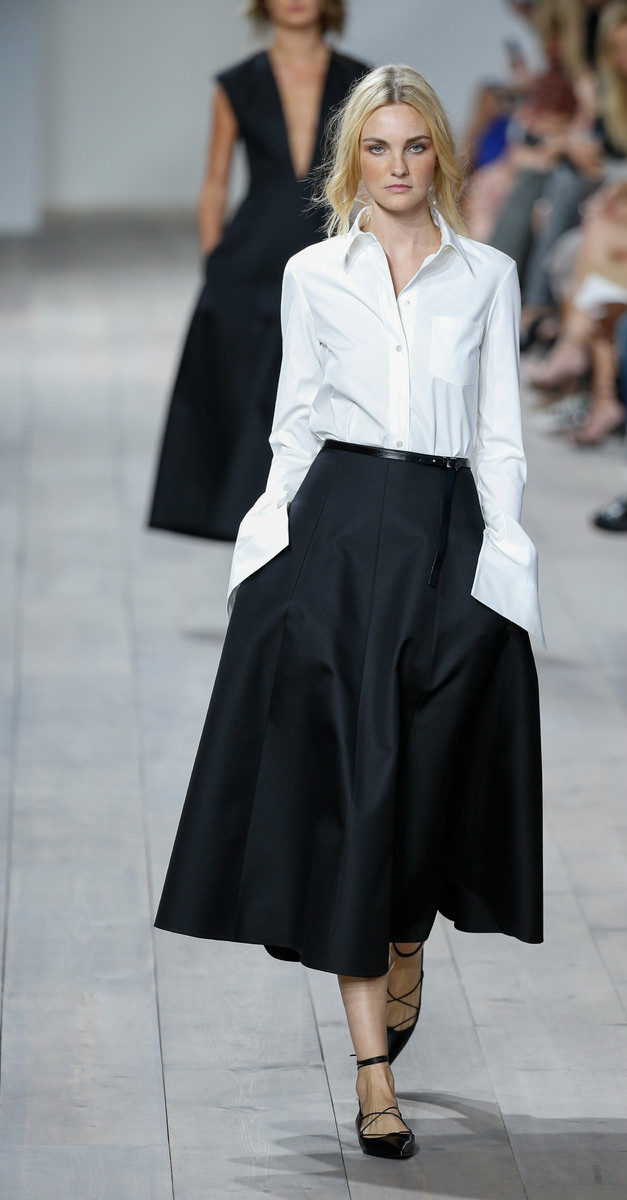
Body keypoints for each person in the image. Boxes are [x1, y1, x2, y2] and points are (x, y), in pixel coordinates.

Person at [155, 64, 545, 1161]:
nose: (396, 166)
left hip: (446, 533)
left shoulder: (488, 275)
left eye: (414, 146)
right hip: (333, 533)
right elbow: (293, 423)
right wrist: (263, 550)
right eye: (377, 148)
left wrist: (507, 562)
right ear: (351, 162)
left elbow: (500, 432)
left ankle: (405, 933)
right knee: (354, 791)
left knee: (425, 780)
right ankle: (374, 1071)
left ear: (439, 156)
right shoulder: (312, 273)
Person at [148, 0, 367, 541]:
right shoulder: (237, 85)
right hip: (250, 257)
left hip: (329, 246)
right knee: (243, 390)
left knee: (326, 385)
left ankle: (319, 514)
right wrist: (214, 261)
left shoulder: (361, 82)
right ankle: (240, 517)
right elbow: (215, 181)